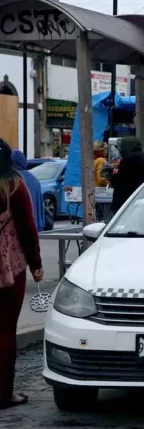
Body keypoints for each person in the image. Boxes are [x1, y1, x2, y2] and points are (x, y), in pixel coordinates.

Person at [0, 140, 43, 410]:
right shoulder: (13, 185)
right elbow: (27, 228)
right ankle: (3, 393)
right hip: (8, 267)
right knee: (4, 330)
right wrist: (36, 264)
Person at [110, 137, 144, 212]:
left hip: (125, 201)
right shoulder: (142, 157)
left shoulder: (129, 159)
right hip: (137, 197)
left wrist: (111, 174)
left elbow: (119, 180)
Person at [10, 151, 45, 232]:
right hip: (32, 227)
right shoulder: (34, 180)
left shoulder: (9, 179)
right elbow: (39, 206)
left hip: (14, 228)